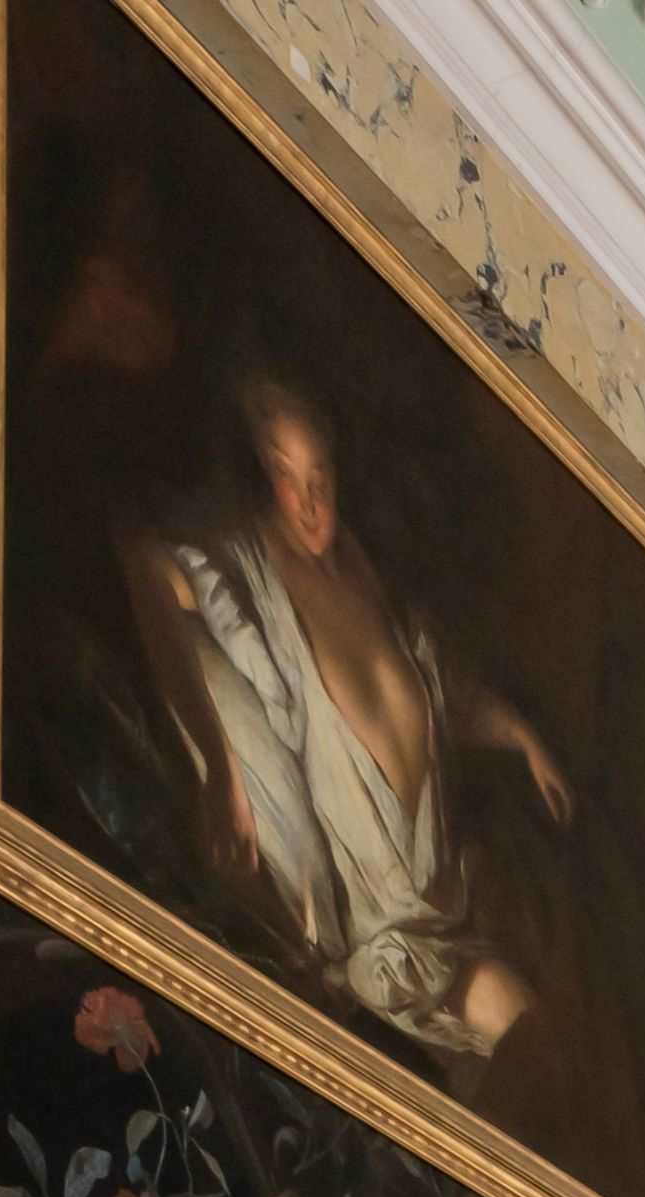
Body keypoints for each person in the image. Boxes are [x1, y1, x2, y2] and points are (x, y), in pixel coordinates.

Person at [130, 374, 568, 1064]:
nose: (309, 502)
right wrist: (221, 768)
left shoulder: (362, 567)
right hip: (391, 946)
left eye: (319, 475)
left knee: (566, 1028)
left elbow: (440, 696)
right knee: (542, 1045)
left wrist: (522, 737)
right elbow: (148, 570)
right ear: (263, 475)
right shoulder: (249, 571)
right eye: (286, 476)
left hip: (449, 897)